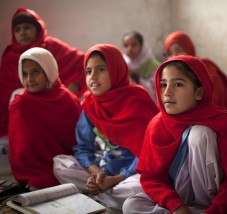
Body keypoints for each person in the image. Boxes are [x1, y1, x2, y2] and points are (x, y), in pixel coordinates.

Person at [122, 55, 227, 214]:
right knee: (130, 206)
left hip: (213, 200)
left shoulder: (220, 122)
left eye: (178, 84)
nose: (167, 92)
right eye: (163, 84)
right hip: (177, 196)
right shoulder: (157, 125)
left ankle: (203, 209)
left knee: (199, 133)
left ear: (199, 93)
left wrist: (216, 208)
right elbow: (151, 178)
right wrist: (177, 206)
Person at [53, 44, 158, 210]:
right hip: (107, 167)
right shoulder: (90, 104)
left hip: (136, 172)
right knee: (60, 164)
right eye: (88, 71)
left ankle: (102, 193)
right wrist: (96, 174)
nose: (93, 77)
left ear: (116, 69)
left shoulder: (137, 100)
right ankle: (102, 190)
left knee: (137, 188)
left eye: (101, 69)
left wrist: (116, 179)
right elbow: (82, 148)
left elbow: (149, 152)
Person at [0, 8, 86, 141]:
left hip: (53, 105)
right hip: (21, 118)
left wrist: (73, 86)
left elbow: (84, 63)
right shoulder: (9, 56)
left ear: (38, 29)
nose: (22, 32)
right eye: (17, 29)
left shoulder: (51, 46)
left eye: (27, 27)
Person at [8, 47, 81, 190]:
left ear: (48, 70)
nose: (29, 79)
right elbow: (20, 152)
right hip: (36, 171)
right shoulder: (21, 104)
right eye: (24, 74)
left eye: (35, 72)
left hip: (68, 165)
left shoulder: (67, 99)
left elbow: (79, 142)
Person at [164, 31, 227, 110]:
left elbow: (216, 106)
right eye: (169, 53)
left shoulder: (208, 71)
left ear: (189, 49)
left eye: (179, 50)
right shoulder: (168, 76)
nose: (174, 56)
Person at [122, 31, 160, 101]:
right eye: (126, 45)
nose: (129, 49)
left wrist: (135, 77)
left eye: (134, 45)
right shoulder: (122, 63)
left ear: (141, 46)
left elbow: (156, 91)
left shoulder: (152, 65)